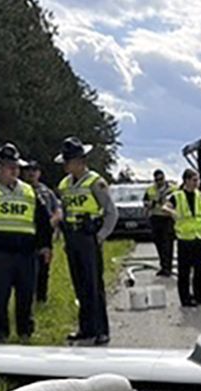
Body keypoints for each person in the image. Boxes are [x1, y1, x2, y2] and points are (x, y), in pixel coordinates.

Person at [0, 142, 53, 343]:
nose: (14, 170)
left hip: (26, 253)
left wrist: (45, 245)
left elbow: (42, 221)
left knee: (25, 296)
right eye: (9, 166)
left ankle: (25, 332)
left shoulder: (30, 191)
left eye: (16, 166)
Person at [55, 136, 117, 345]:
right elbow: (64, 211)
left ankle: (101, 329)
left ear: (80, 161)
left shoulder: (95, 182)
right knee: (79, 285)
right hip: (72, 239)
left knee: (93, 285)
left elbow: (111, 213)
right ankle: (86, 328)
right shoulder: (64, 185)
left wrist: (100, 236)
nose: (65, 165)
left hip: (89, 237)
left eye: (68, 161)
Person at [166, 168, 201, 307]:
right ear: (186, 180)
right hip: (185, 238)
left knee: (200, 270)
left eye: (197, 180)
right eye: (194, 180)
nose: (196, 183)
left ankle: (199, 296)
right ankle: (185, 299)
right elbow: (165, 207)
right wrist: (172, 212)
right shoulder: (177, 196)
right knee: (184, 271)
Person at [21, 159, 62, 304]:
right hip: (26, 234)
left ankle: (41, 298)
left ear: (39, 173)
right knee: (26, 268)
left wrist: (51, 223)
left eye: (34, 170)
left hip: (44, 235)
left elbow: (58, 210)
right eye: (28, 170)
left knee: (44, 267)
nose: (31, 173)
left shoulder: (47, 192)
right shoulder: (20, 190)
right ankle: (27, 298)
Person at [144, 169, 177, 276]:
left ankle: (168, 267)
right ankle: (163, 266)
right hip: (155, 218)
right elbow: (145, 202)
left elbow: (176, 203)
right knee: (158, 244)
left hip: (167, 219)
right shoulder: (150, 190)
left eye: (161, 179)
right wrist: (151, 203)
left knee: (167, 244)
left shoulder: (172, 189)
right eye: (157, 179)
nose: (159, 181)